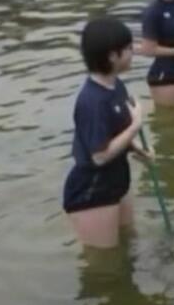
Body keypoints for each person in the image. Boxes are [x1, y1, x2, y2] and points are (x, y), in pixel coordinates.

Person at [63, 17, 154, 249]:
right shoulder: (91, 101)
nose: (133, 52)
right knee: (105, 268)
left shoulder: (116, 86)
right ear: (112, 56)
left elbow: (114, 134)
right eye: (128, 49)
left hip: (116, 181)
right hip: (92, 192)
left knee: (129, 245)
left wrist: (138, 150)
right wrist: (135, 125)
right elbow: (99, 156)